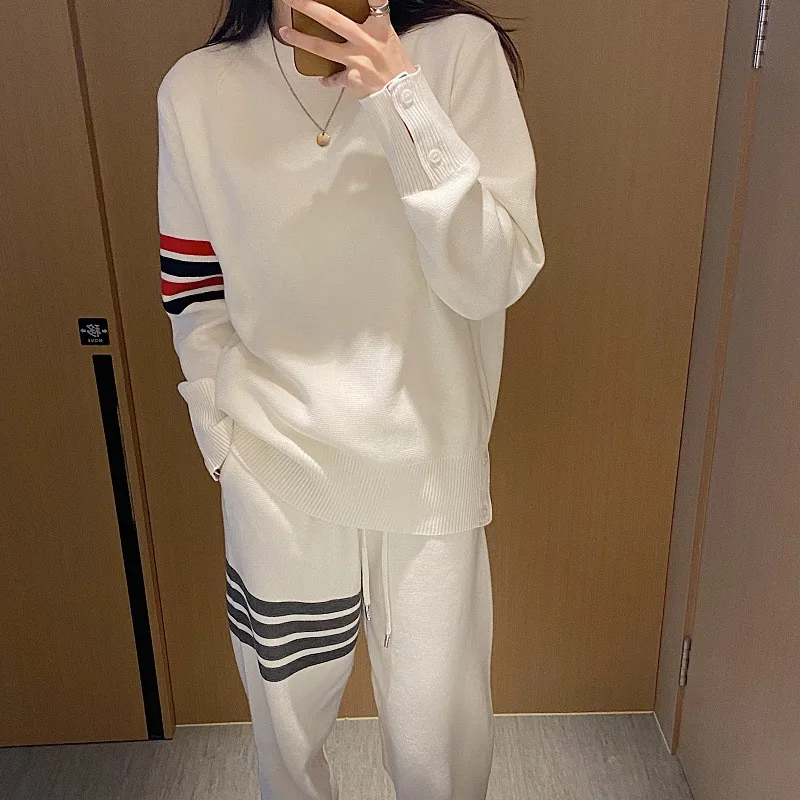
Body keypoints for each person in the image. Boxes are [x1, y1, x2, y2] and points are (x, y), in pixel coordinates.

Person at [157, 0, 545, 797]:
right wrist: (221, 431)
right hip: (275, 465)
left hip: (427, 468)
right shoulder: (197, 90)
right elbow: (194, 291)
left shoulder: (455, 53)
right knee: (286, 744)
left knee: (438, 754)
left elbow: (491, 277)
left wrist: (401, 95)